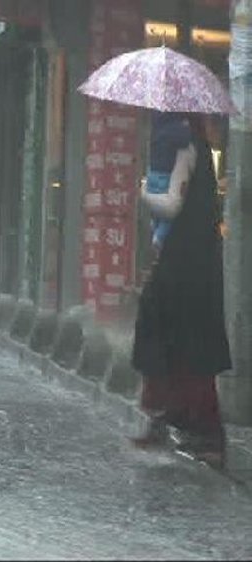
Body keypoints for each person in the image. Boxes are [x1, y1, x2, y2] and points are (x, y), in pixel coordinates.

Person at [131, 112, 231, 468]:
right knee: (181, 339)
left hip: (184, 266)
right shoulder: (196, 146)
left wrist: (143, 191)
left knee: (166, 333)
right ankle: (175, 421)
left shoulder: (183, 147)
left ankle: (188, 426)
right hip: (195, 263)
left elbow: (171, 204)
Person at [144, 111, 192, 250]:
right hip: (165, 175)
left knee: (156, 205)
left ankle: (154, 226)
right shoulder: (175, 128)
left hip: (152, 173)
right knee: (168, 212)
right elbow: (186, 139)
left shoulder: (156, 127)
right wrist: (186, 124)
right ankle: (159, 237)